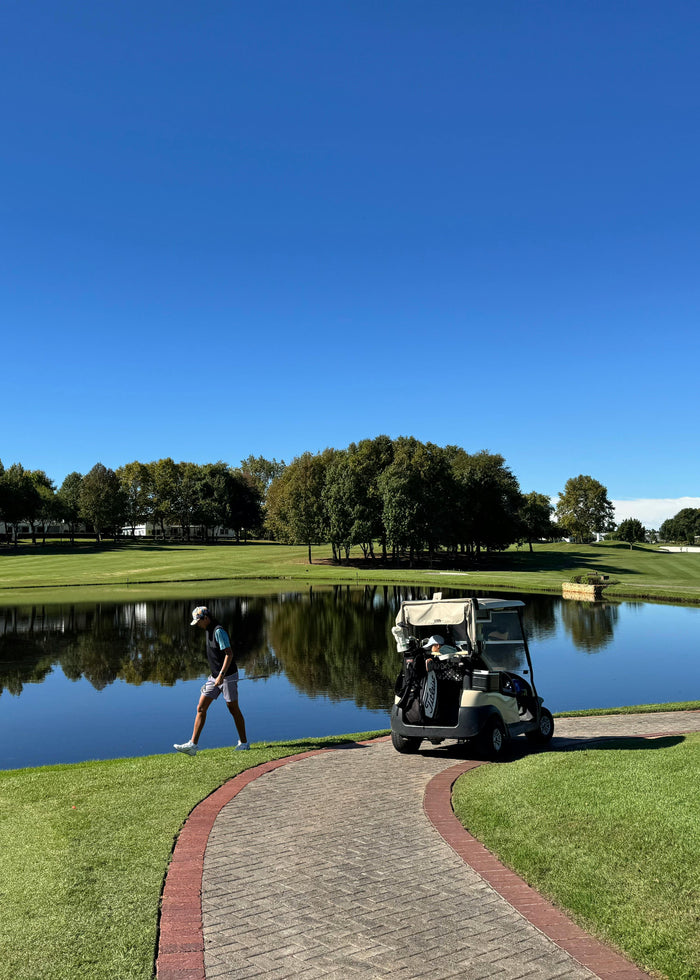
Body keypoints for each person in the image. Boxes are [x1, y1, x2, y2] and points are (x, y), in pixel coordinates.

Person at [174, 606, 249, 756]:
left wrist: (222, 675)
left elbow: (229, 654)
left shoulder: (218, 631)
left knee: (233, 708)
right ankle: (192, 745)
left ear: (206, 618)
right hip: (214, 676)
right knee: (201, 707)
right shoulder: (208, 630)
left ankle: (244, 743)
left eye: (199, 621)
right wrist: (216, 676)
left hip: (227, 676)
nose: (198, 625)